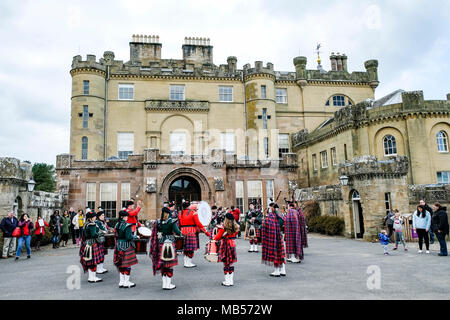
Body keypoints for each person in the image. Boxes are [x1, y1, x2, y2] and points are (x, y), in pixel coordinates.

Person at [150, 207, 183, 290]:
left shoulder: (158, 222)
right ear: (168, 213)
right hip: (170, 243)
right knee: (170, 265)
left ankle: (164, 284)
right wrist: (182, 233)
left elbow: (155, 233)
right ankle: (168, 284)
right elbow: (177, 232)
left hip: (160, 243)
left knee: (163, 265)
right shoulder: (172, 221)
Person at [179, 201, 211, 268]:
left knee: (185, 248)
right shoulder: (193, 213)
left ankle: (186, 262)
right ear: (189, 206)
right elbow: (198, 224)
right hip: (191, 231)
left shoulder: (180, 213)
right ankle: (189, 262)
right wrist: (206, 232)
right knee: (190, 249)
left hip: (182, 231)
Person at [114, 210, 139, 288]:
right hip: (127, 246)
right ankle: (126, 282)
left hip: (119, 245)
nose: (127, 217)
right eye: (126, 216)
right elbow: (129, 237)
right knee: (128, 264)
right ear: (123, 217)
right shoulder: (127, 225)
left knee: (121, 264)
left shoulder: (117, 224)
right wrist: (135, 236)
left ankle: (121, 282)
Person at [214, 212, 239, 286]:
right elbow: (235, 234)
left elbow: (217, 238)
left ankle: (227, 281)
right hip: (232, 244)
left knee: (225, 263)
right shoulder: (236, 227)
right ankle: (231, 281)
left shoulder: (223, 228)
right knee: (231, 263)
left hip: (225, 244)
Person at [262, 203, 286, 277]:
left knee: (275, 254)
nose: (269, 208)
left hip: (273, 237)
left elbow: (266, 224)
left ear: (272, 208)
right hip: (279, 235)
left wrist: (262, 222)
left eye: (270, 207)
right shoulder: (279, 215)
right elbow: (282, 222)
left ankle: (276, 271)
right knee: (280, 253)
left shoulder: (272, 216)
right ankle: (283, 270)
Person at [79, 211, 104, 283]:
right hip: (92, 243)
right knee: (93, 261)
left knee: (89, 261)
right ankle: (92, 277)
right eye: (94, 216)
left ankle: (91, 277)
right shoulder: (92, 224)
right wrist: (100, 233)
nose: (95, 217)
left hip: (86, 243)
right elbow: (94, 235)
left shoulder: (85, 223)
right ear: (91, 217)